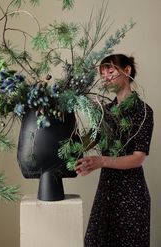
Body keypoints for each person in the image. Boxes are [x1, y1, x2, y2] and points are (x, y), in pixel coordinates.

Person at [75, 54, 154, 247]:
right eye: (103, 74)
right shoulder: (105, 111)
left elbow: (138, 158)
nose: (106, 77)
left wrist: (101, 161)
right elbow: (89, 141)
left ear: (127, 71)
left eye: (111, 71)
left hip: (132, 197)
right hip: (106, 193)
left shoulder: (143, 111)